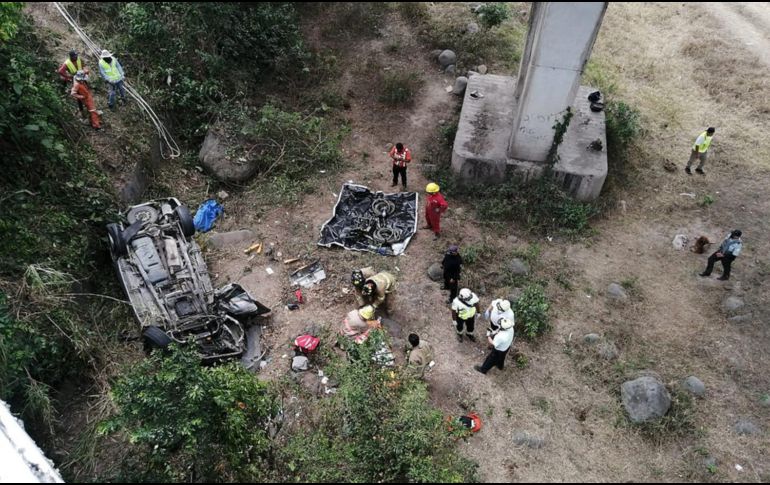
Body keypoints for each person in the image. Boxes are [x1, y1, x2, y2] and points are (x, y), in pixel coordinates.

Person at [57, 50, 86, 116]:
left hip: (81, 75)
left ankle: (86, 101)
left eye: (76, 55)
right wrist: (68, 77)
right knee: (78, 92)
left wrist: (84, 70)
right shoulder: (67, 63)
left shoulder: (78, 59)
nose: (76, 57)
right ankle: (81, 110)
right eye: (74, 56)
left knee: (86, 87)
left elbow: (83, 65)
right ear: (71, 57)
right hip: (75, 77)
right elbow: (60, 71)